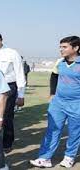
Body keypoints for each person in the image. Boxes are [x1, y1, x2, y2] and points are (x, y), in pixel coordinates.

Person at [30, 36, 80, 168]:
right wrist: (52, 93)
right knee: (52, 130)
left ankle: (69, 157)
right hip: (58, 103)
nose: (61, 49)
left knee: (74, 131)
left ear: (76, 48)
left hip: (76, 104)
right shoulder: (60, 62)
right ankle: (45, 158)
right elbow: (54, 75)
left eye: (64, 47)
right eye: (60, 47)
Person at [0, 31, 26, 152]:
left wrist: (21, 95)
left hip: (8, 87)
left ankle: (7, 143)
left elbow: (19, 74)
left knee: (6, 116)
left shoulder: (12, 53)